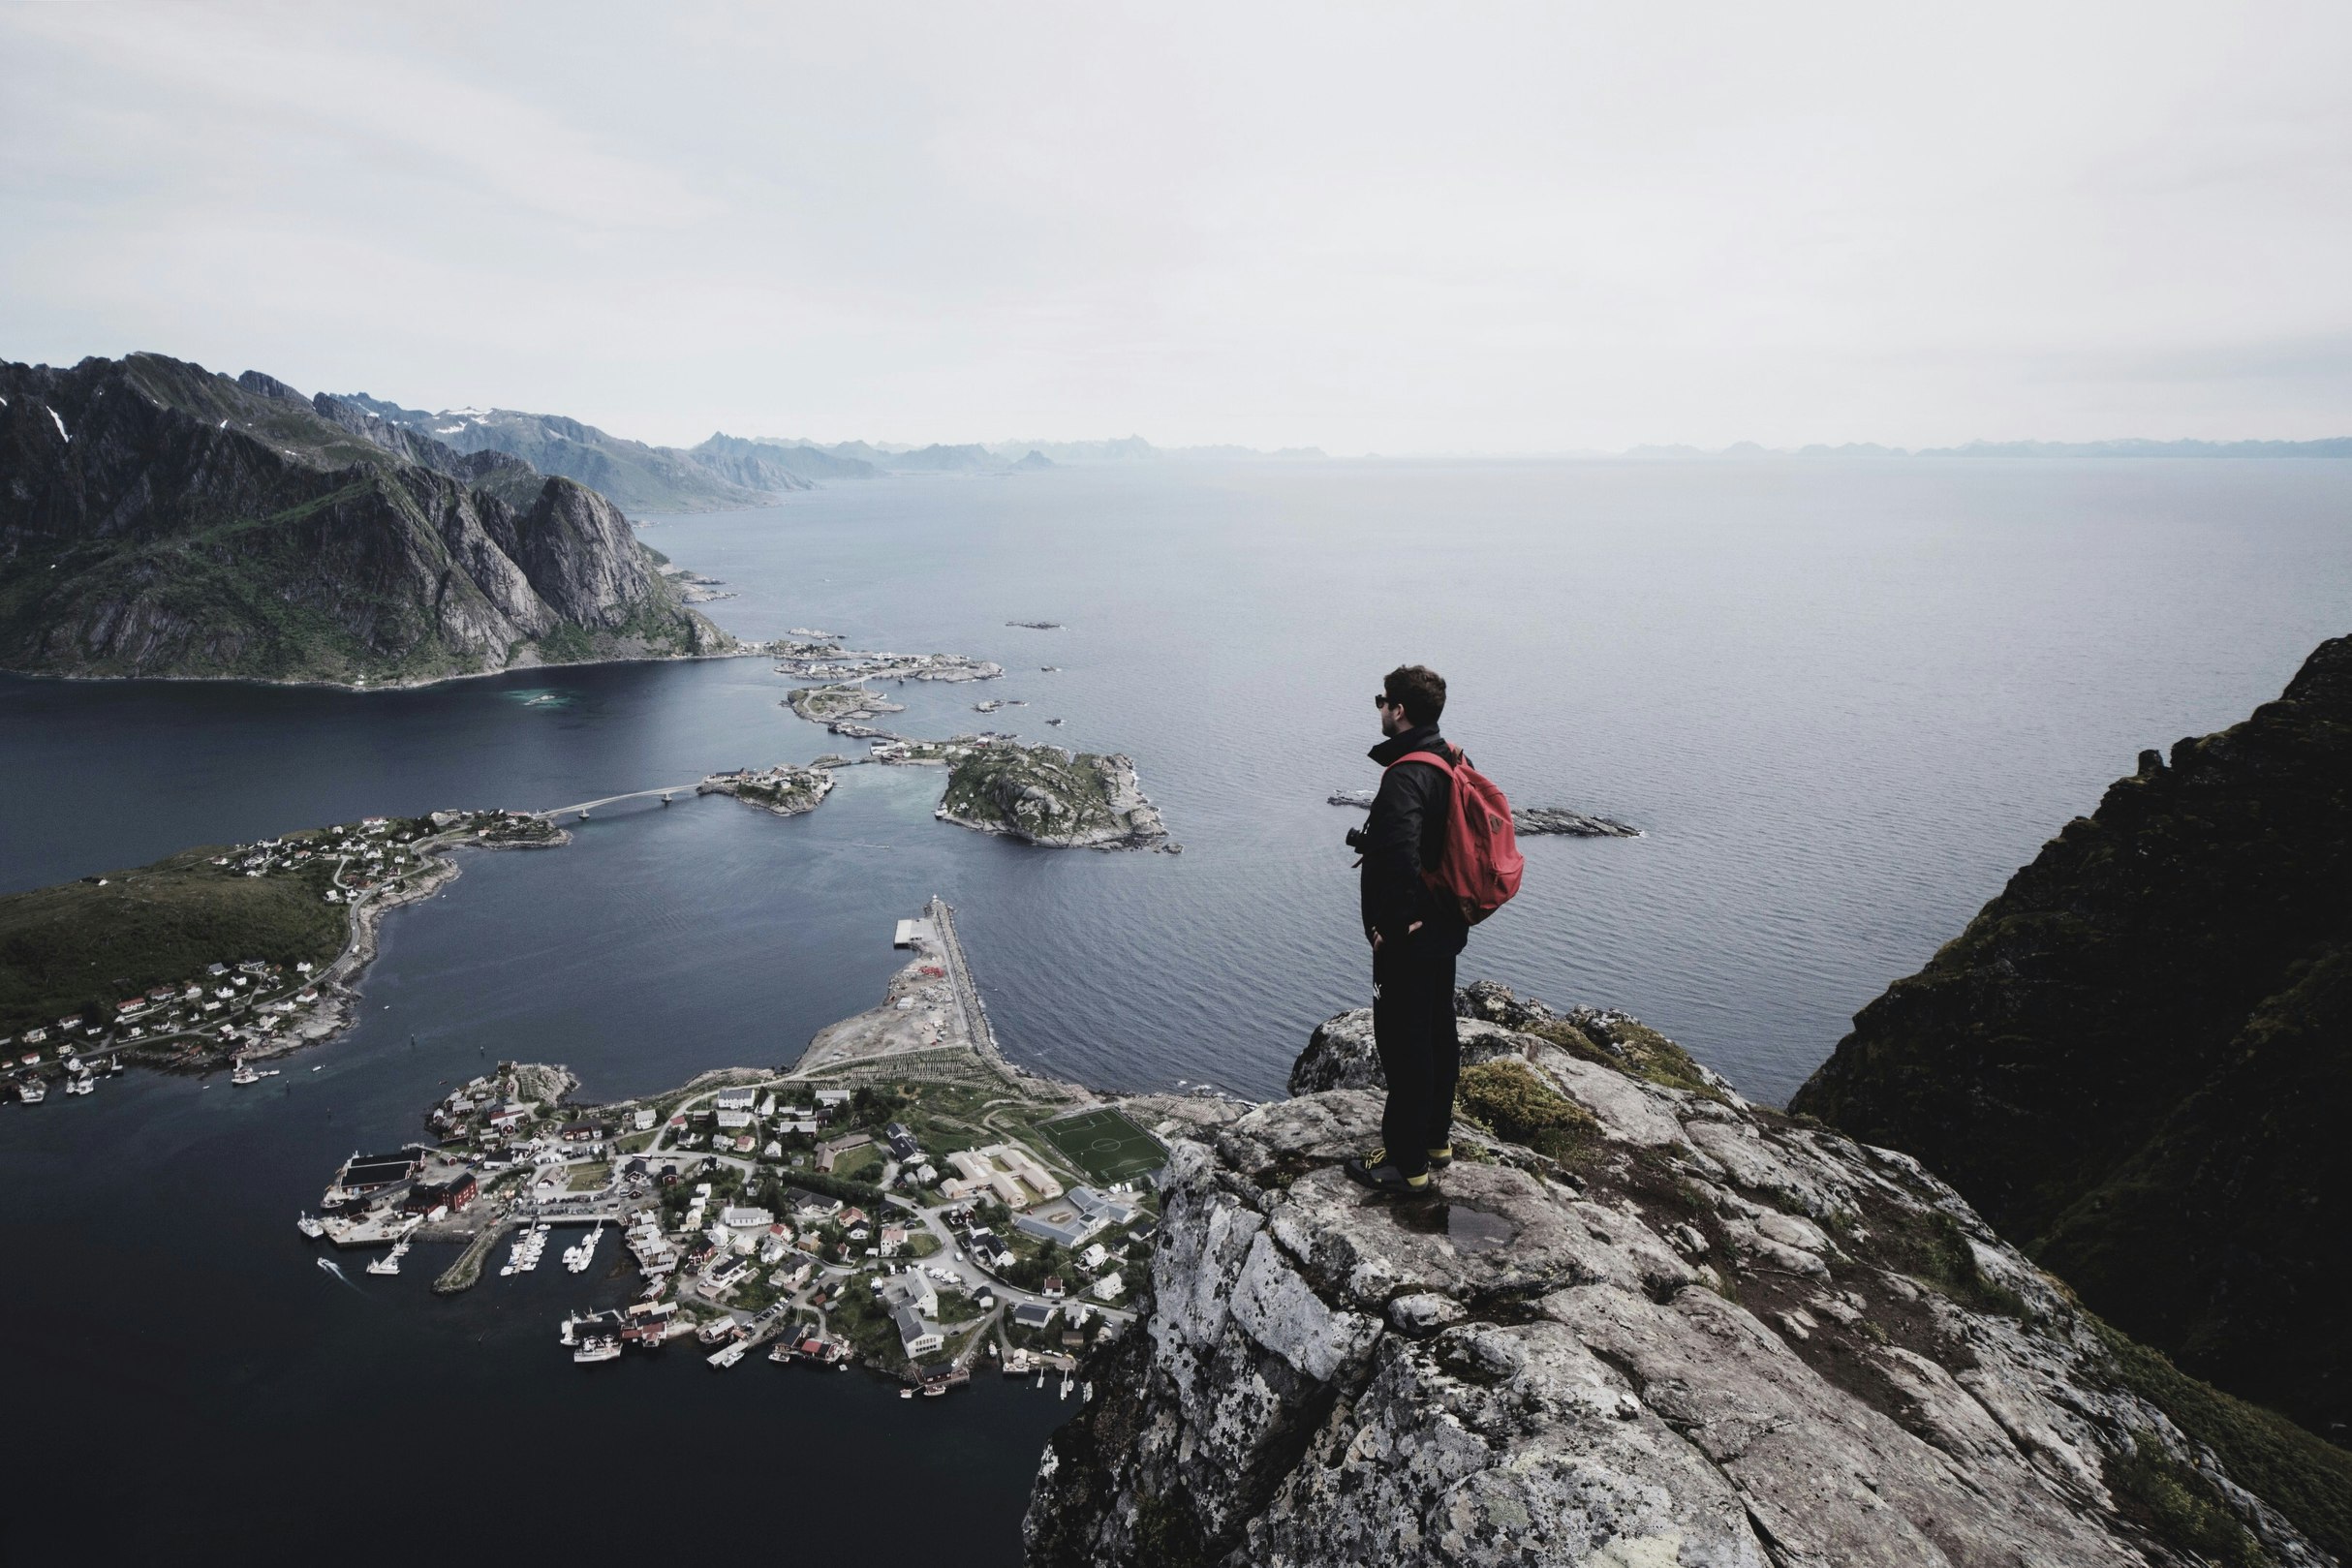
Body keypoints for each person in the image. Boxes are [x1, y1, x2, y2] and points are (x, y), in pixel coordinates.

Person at [1345, 663, 1469, 1194]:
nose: (1378, 708)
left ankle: (1406, 1163)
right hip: (1443, 926)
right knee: (1439, 1032)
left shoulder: (1405, 774)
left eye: (1383, 700)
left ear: (1399, 710)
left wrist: (1388, 927)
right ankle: (1435, 1141)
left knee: (1403, 1042)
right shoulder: (1447, 757)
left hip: (1409, 938)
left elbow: (1398, 853)